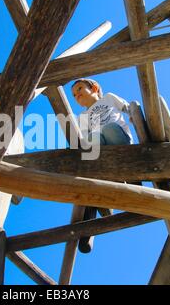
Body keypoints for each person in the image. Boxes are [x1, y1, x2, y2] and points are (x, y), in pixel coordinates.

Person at [71, 78, 133, 253]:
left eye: (80, 89)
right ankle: (105, 192)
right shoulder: (82, 117)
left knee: (107, 129)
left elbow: (129, 108)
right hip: (102, 153)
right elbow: (86, 140)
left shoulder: (109, 98)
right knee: (94, 138)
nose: (77, 95)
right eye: (75, 95)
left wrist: (138, 118)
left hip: (118, 139)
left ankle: (124, 179)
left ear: (95, 88)